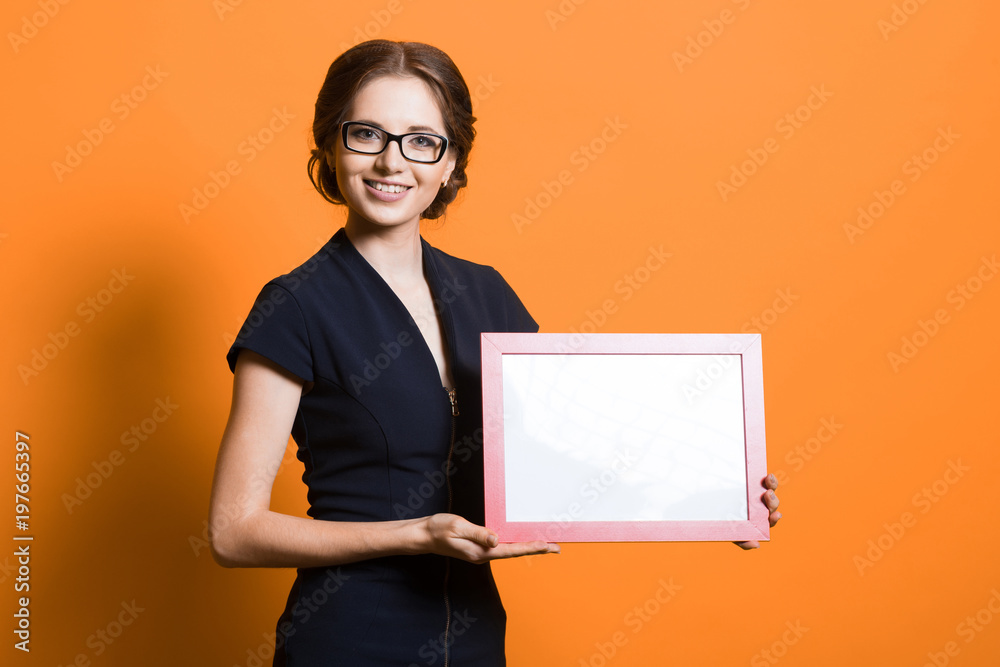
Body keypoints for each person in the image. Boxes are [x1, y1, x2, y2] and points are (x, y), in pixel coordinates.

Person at [208, 39, 781, 666]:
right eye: (367, 134)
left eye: (422, 140)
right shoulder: (294, 305)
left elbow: (564, 461)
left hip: (474, 637)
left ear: (451, 162)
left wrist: (714, 494)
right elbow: (234, 531)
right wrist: (416, 535)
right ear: (330, 144)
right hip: (350, 635)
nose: (391, 162)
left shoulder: (487, 293)